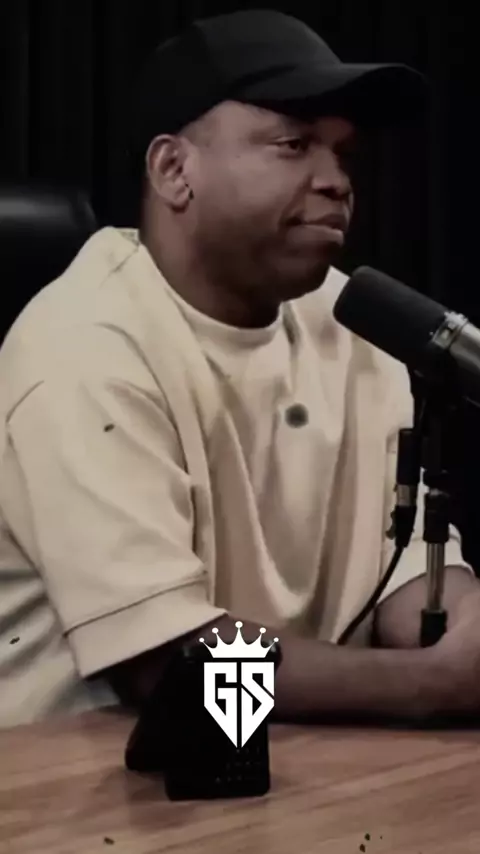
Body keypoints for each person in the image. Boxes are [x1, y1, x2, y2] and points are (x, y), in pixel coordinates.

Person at [0, 9, 479, 730]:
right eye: (294, 145)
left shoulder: (353, 320)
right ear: (174, 170)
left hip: (301, 758)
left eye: (343, 154)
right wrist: (431, 686)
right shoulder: (84, 347)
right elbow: (165, 669)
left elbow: (402, 576)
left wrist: (467, 630)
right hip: (87, 777)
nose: (336, 181)